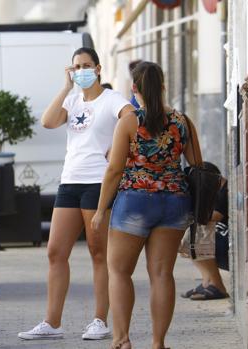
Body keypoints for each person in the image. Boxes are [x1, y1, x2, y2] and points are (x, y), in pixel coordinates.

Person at [18, 47, 135, 341]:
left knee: (99, 253)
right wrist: (65, 87)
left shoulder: (111, 100)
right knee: (55, 252)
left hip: (99, 182)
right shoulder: (72, 100)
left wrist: (120, 146)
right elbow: (47, 121)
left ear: (98, 68)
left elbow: (134, 117)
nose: (80, 70)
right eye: (75, 66)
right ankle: (52, 323)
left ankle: (99, 320)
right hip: (69, 181)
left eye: (85, 65)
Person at [91, 61, 201, 349]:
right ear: (163, 86)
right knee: (162, 274)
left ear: (134, 88)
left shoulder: (129, 122)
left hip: (134, 203)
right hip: (175, 203)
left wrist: (101, 210)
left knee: (119, 271)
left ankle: (122, 339)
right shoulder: (182, 121)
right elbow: (198, 166)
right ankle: (158, 343)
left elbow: (114, 171)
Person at [181, 161, 229, 301]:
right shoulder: (216, 189)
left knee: (197, 235)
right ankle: (207, 282)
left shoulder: (225, 189)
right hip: (223, 240)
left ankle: (216, 285)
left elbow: (216, 215)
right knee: (193, 235)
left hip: (229, 245)